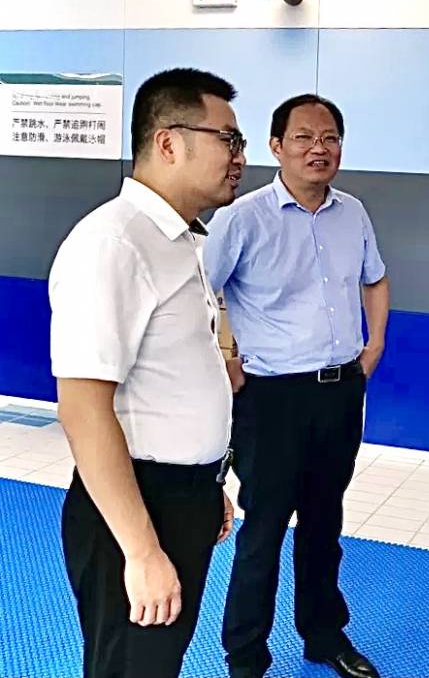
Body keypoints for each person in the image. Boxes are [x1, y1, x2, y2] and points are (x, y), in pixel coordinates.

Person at [49, 67, 245, 678]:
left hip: (179, 496)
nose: (239, 157)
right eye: (228, 139)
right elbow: (83, 408)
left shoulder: (178, 240)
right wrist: (141, 550)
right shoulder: (114, 243)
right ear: (168, 142)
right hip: (136, 507)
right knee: (130, 667)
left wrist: (204, 484)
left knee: (157, 663)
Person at [204, 94, 389, 678]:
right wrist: (225, 355)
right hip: (272, 399)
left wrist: (375, 344)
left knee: (325, 523)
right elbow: (197, 294)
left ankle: (324, 635)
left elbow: (375, 280)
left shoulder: (353, 213)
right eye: (304, 137)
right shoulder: (242, 217)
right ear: (277, 146)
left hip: (340, 392)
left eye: (330, 137)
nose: (319, 148)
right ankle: (245, 656)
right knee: (262, 531)